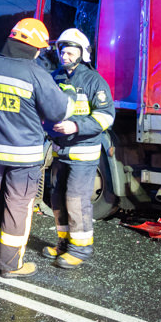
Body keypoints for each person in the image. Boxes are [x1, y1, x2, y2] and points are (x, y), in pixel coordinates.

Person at [0, 18, 73, 278]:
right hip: (23, 156)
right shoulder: (35, 73)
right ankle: (10, 264)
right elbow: (60, 111)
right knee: (18, 207)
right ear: (34, 47)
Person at [42, 28, 115, 268]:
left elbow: (106, 117)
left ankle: (81, 249)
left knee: (75, 200)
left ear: (83, 54)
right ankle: (64, 243)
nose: (65, 56)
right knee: (57, 198)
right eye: (62, 51)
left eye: (71, 52)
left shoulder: (94, 81)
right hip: (59, 151)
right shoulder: (55, 77)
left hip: (83, 154)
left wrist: (75, 126)